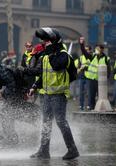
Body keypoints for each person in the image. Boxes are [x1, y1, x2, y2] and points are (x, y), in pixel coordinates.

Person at [29, 27, 79, 160]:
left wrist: (51, 52)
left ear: (54, 41)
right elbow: (44, 74)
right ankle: (44, 151)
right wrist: (35, 86)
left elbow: (57, 66)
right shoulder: (46, 56)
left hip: (58, 94)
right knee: (46, 123)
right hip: (46, 95)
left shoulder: (63, 55)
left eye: (46, 41)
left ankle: (72, 149)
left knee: (60, 121)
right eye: (44, 41)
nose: (44, 43)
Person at [0, 55, 41, 145]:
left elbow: (12, 88)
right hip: (16, 92)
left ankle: (14, 138)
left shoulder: (4, 72)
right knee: (9, 113)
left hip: (20, 90)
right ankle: (35, 119)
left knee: (7, 113)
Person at [80, 37, 111, 110]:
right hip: (91, 79)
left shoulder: (106, 58)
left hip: (101, 81)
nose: (96, 50)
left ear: (102, 49)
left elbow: (109, 70)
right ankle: (92, 109)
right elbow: (84, 53)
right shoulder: (92, 56)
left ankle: (100, 109)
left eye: (98, 48)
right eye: (96, 48)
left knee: (101, 96)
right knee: (91, 96)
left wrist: (107, 79)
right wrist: (81, 44)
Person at [77, 40, 92, 111]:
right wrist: (79, 68)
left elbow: (92, 66)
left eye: (87, 50)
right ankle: (81, 105)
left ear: (90, 50)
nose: (86, 51)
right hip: (81, 76)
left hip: (89, 76)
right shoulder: (81, 57)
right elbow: (78, 66)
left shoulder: (91, 56)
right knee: (81, 92)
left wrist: (85, 67)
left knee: (89, 92)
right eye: (85, 50)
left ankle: (89, 105)